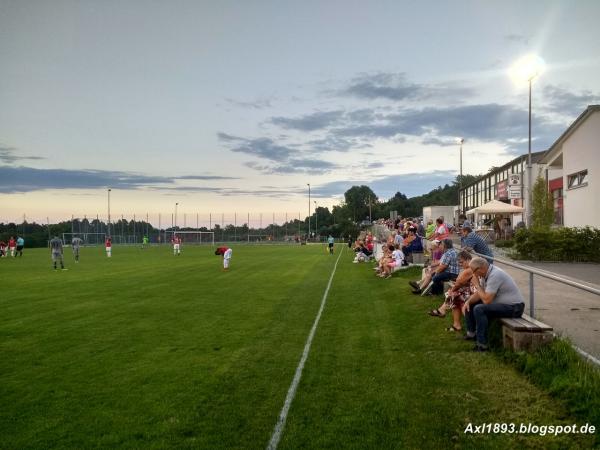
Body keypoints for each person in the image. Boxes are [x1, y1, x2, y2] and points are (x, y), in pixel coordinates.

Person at [462, 256, 526, 352]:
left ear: (481, 269)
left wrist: (476, 285)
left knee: (479, 309)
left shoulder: (495, 275)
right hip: (505, 305)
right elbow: (480, 293)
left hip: (514, 308)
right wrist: (468, 302)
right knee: (471, 304)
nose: (473, 274)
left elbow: (487, 300)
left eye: (473, 271)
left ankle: (482, 345)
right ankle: (471, 334)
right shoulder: (486, 274)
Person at [428, 250, 474, 332]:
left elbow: (458, 283)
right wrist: (454, 287)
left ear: (468, 260)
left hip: (474, 294)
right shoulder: (468, 268)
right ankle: (455, 324)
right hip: (470, 291)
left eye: (461, 262)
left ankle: (443, 311)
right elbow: (459, 281)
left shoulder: (469, 269)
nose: (460, 264)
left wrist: (451, 290)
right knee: (454, 296)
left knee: (454, 295)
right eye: (459, 263)